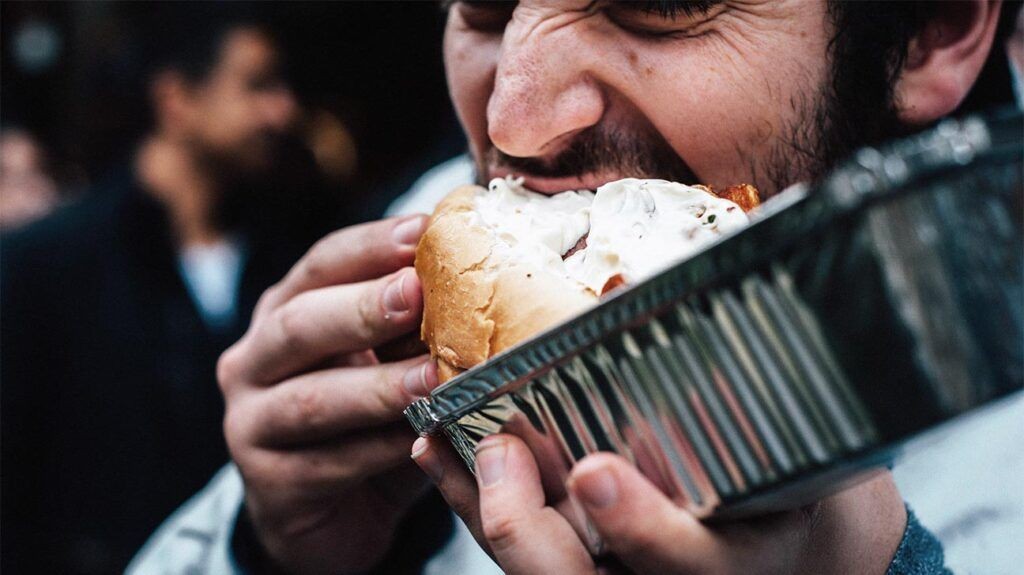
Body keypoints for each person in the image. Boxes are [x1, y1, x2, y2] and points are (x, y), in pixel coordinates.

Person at [130, 1, 1021, 574]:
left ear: (927, 33)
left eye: (658, 11)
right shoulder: (437, 246)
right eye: (480, 10)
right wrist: (276, 552)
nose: (510, 125)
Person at [0, 12, 345, 574]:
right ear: (177, 98)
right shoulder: (45, 263)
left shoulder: (291, 256)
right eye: (257, 85)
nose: (282, 110)